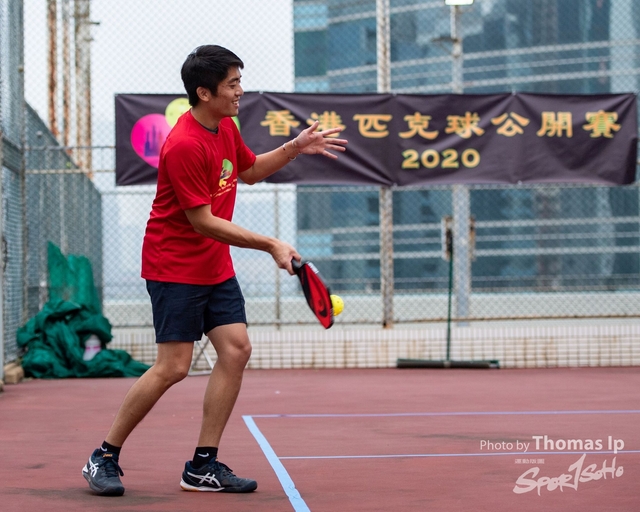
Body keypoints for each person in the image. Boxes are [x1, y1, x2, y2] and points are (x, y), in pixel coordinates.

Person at [82, 44, 347, 496]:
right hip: (173, 265)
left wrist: (295, 147)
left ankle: (202, 466)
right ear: (204, 92)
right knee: (173, 367)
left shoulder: (225, 127)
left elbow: (250, 170)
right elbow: (202, 221)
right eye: (232, 84)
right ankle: (102, 456)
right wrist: (271, 244)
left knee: (236, 349)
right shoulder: (184, 145)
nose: (240, 91)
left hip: (214, 264)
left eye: (239, 81)